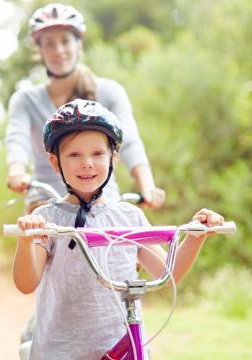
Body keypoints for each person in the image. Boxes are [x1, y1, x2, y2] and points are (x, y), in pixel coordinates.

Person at [12, 99, 224, 359]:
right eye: (74, 155)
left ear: (113, 157)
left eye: (98, 154)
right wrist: (26, 240)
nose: (87, 163)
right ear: (55, 163)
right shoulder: (46, 218)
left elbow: (167, 273)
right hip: (60, 351)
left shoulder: (128, 217)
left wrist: (195, 236)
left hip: (120, 348)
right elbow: (25, 283)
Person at [6, 3, 165, 209]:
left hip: (103, 202)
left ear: (78, 45)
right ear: (40, 51)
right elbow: (17, 140)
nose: (59, 50)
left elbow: (131, 142)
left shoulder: (109, 91)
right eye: (49, 44)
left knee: (129, 237)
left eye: (65, 41)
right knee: (35, 238)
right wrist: (16, 173)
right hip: (46, 203)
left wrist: (147, 186)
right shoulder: (26, 99)